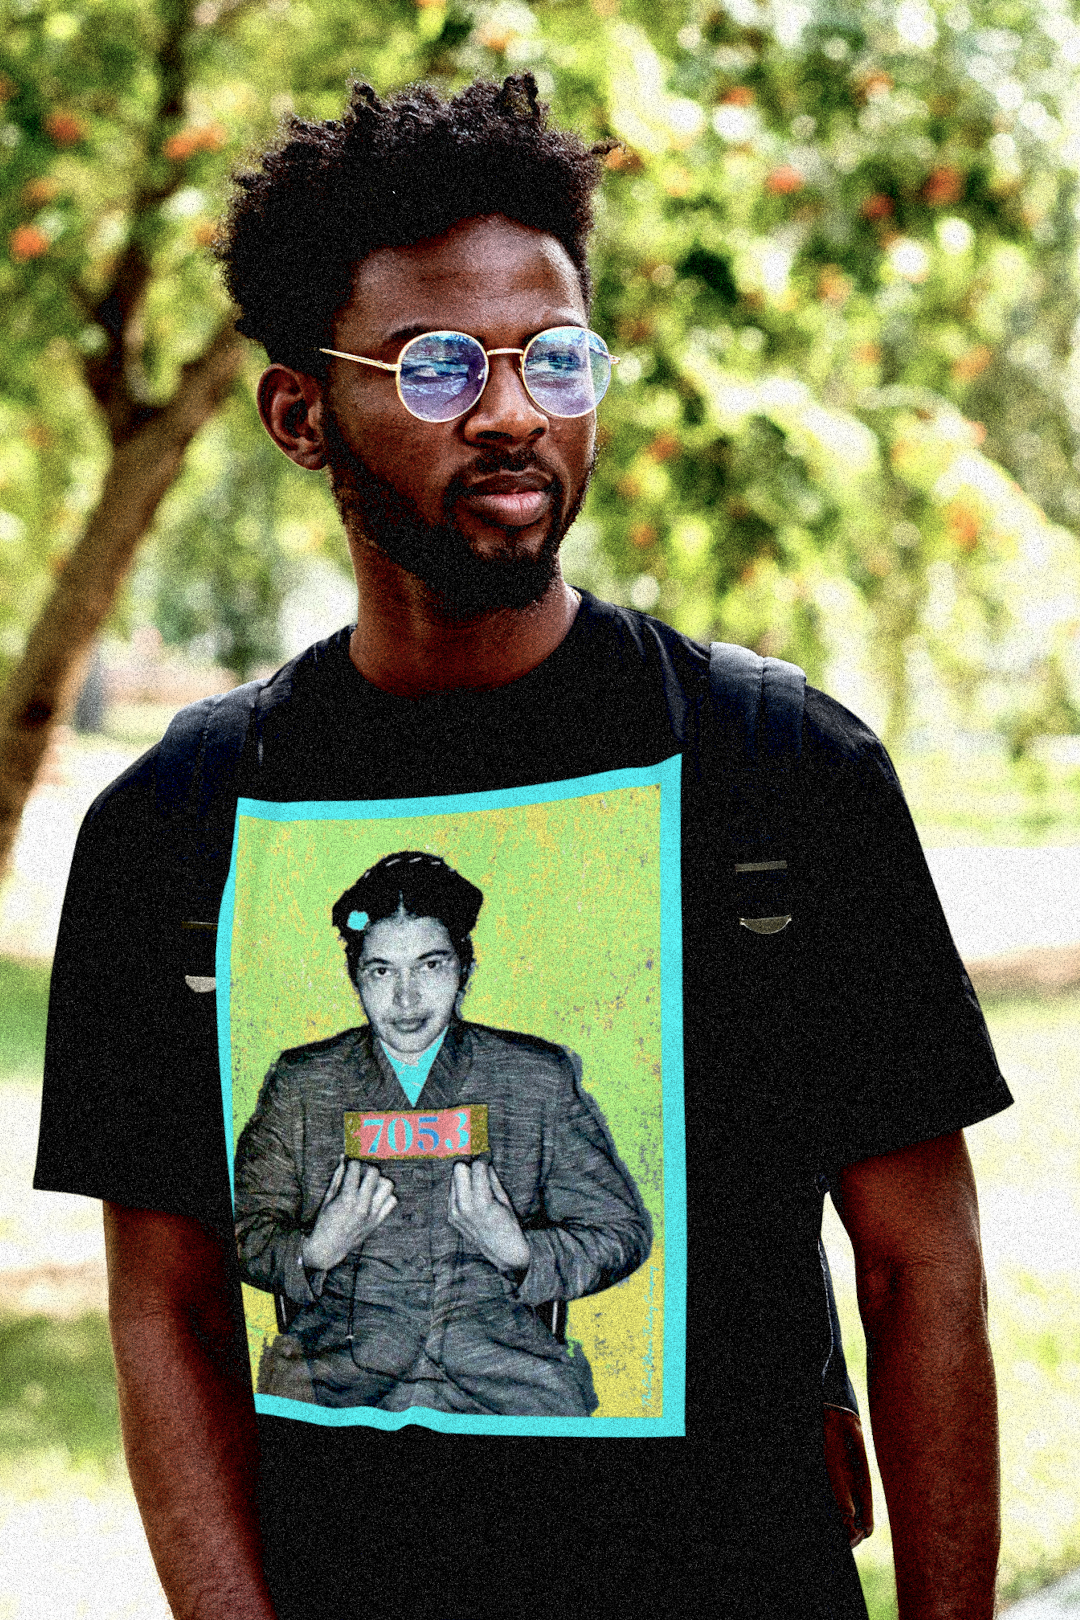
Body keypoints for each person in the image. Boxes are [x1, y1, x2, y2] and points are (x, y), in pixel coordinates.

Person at [34, 73, 1011, 1620]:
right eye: (435, 368)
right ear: (303, 413)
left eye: (553, 358)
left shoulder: (781, 771)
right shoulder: (175, 826)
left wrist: (523, 1246)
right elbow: (167, 1311)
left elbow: (921, 1273)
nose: (512, 412)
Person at [234, 849, 651, 1415]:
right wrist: (313, 1252)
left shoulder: (535, 1079)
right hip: (336, 1375)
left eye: (430, 966)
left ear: (465, 970)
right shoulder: (302, 1085)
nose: (406, 999)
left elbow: (621, 1232)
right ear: (356, 978)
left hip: (509, 1376)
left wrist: (522, 1251)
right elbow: (235, 1233)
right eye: (382, 971)